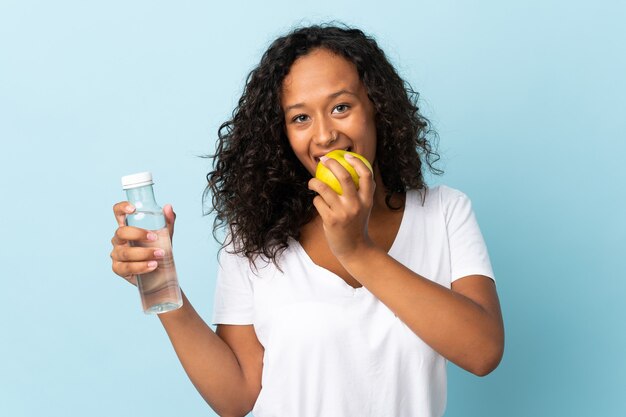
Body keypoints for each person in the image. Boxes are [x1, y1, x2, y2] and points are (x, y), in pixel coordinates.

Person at [110, 24, 504, 417]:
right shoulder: (254, 234)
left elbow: (482, 351)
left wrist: (357, 250)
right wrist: (161, 283)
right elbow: (237, 399)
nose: (325, 135)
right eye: (300, 118)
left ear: (377, 107)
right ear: (282, 135)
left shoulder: (444, 213)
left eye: (341, 107)